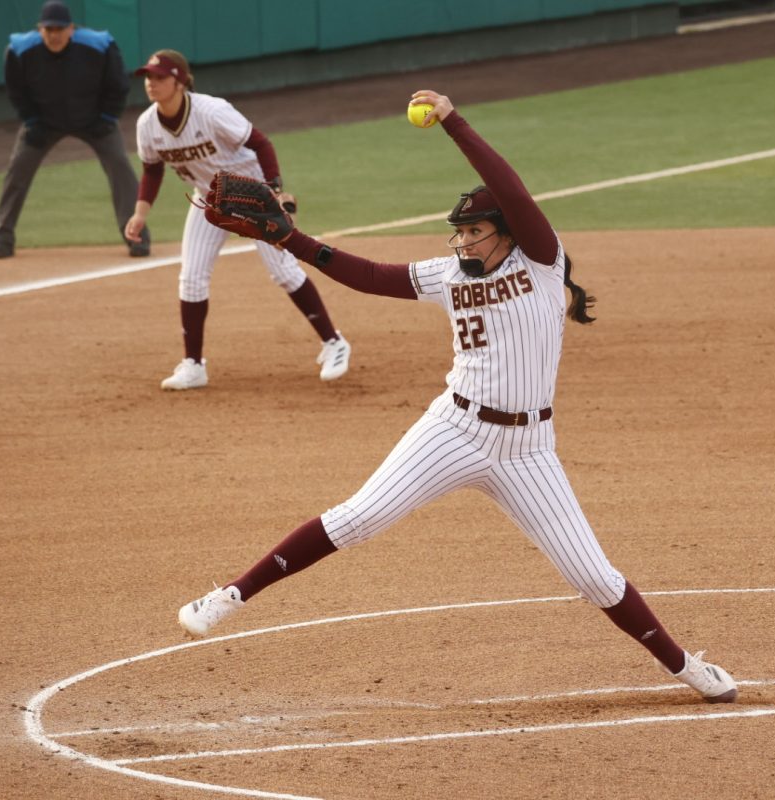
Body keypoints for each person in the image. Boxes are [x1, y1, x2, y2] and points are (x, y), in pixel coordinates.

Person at [177, 90, 738, 702]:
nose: (463, 242)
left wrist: (453, 122)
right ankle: (229, 596)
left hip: (528, 451)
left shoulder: (541, 263)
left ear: (506, 233)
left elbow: (512, 189)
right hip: (454, 428)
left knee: (595, 578)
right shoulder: (447, 276)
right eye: (459, 232)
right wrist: (291, 238)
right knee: (359, 516)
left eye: (474, 230)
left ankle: (687, 668)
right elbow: (366, 275)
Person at [125, 50, 351, 388]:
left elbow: (261, 143)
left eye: (159, 77)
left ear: (180, 80)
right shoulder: (147, 125)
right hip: (209, 198)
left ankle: (334, 342)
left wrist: (273, 189)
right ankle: (193, 365)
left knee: (284, 271)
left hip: (253, 194)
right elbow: (152, 170)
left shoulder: (211, 111)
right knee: (192, 277)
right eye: (148, 77)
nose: (151, 83)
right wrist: (140, 214)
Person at [0, 0, 148, 260]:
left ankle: (136, 237)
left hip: (94, 119)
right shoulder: (20, 50)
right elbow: (16, 90)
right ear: (39, 30)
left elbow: (118, 84)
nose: (54, 35)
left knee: (121, 167)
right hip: (43, 122)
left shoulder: (99, 45)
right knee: (18, 170)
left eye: (59, 29)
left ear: (71, 29)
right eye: (48, 29)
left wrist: (107, 117)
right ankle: (2, 238)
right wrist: (31, 120)